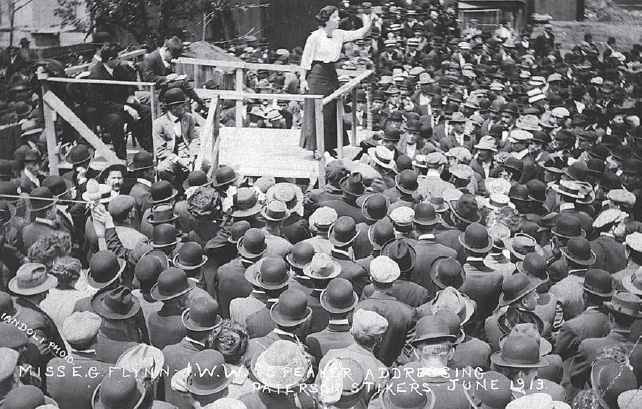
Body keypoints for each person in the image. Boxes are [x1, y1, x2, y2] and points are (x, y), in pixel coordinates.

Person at [299, 5, 373, 157]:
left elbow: (359, 33)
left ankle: (329, 146)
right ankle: (316, 147)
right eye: (334, 17)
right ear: (326, 20)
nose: (338, 19)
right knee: (316, 110)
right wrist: (302, 79)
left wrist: (370, 20)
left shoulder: (339, 34)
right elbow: (306, 60)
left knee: (331, 110)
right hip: (316, 74)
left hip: (331, 73)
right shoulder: (314, 37)